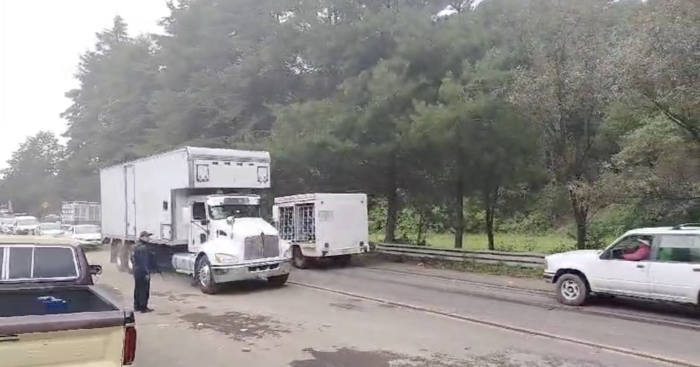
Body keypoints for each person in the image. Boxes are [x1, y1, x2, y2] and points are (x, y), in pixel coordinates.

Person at [132, 231, 156, 313]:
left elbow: (133, 260)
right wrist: (147, 273)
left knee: (137, 289)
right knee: (144, 290)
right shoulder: (143, 248)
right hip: (142, 272)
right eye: (147, 236)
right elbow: (144, 262)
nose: (148, 238)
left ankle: (137, 306)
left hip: (136, 271)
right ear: (142, 237)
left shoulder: (136, 246)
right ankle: (143, 307)